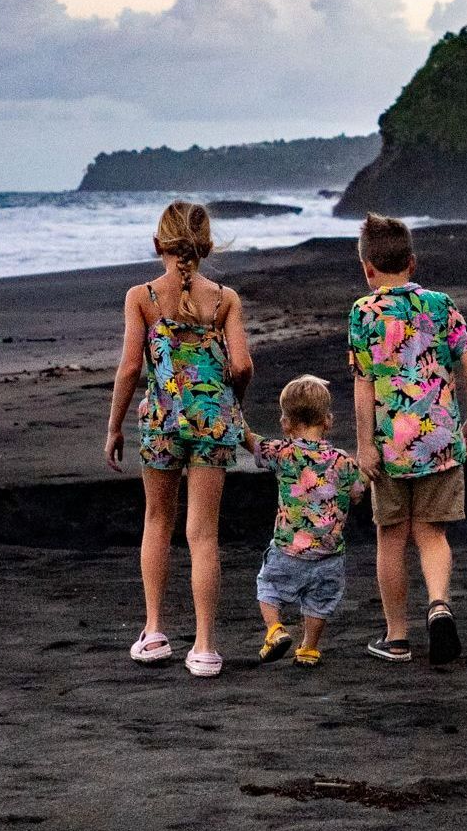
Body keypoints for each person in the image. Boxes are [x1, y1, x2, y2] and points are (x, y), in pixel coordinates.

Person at [105, 200, 252, 677]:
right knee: (203, 533)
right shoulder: (224, 299)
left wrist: (114, 426)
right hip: (213, 423)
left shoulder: (142, 296)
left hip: (162, 421)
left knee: (157, 520)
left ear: (157, 245)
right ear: (205, 247)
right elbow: (244, 364)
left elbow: (131, 367)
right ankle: (205, 647)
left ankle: (153, 632)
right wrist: (232, 402)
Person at [348, 213, 467, 666]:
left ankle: (397, 637)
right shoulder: (440, 304)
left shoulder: (364, 313)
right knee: (431, 534)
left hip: (389, 448)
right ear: (412, 261)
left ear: (368, 268)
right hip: (440, 443)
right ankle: (440, 605)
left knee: (391, 538)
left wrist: (364, 444)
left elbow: (364, 383)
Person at [244, 375, 366, 669]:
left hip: (288, 548)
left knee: (269, 586)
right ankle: (309, 648)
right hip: (329, 553)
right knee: (319, 601)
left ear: (285, 423)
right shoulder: (342, 460)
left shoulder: (283, 453)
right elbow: (358, 493)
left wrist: (232, 409)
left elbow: (249, 440)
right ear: (328, 421)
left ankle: (275, 630)